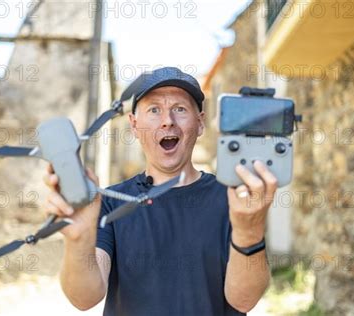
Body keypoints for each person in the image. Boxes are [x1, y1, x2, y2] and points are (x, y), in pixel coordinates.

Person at [43, 67, 277, 315]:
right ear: (134, 125)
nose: (168, 120)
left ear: (199, 123)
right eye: (154, 110)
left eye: (180, 109)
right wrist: (78, 240)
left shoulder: (234, 200)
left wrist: (249, 230)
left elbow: (244, 301)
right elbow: (84, 298)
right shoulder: (108, 204)